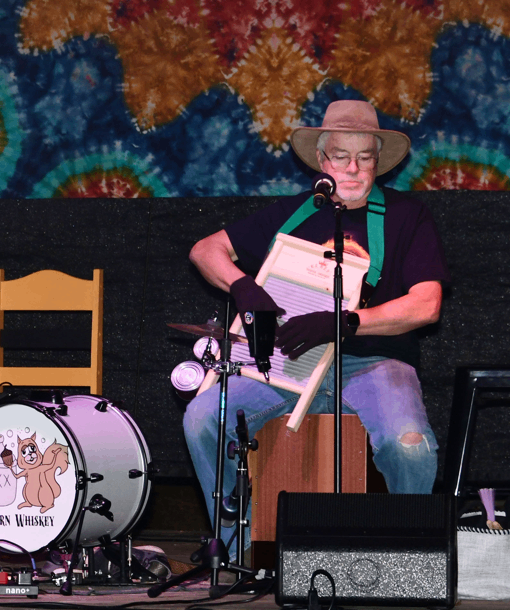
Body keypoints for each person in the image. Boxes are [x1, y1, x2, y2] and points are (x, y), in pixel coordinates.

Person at [183, 99, 447, 554]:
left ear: (377, 163)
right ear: (322, 161)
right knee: (204, 417)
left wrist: (346, 322)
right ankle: (234, 549)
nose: (354, 168)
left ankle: (406, 557)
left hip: (375, 364)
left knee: (411, 446)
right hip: (289, 364)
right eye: (341, 156)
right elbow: (205, 250)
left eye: (365, 157)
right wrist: (242, 285)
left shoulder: (408, 216)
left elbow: (427, 305)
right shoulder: (292, 214)